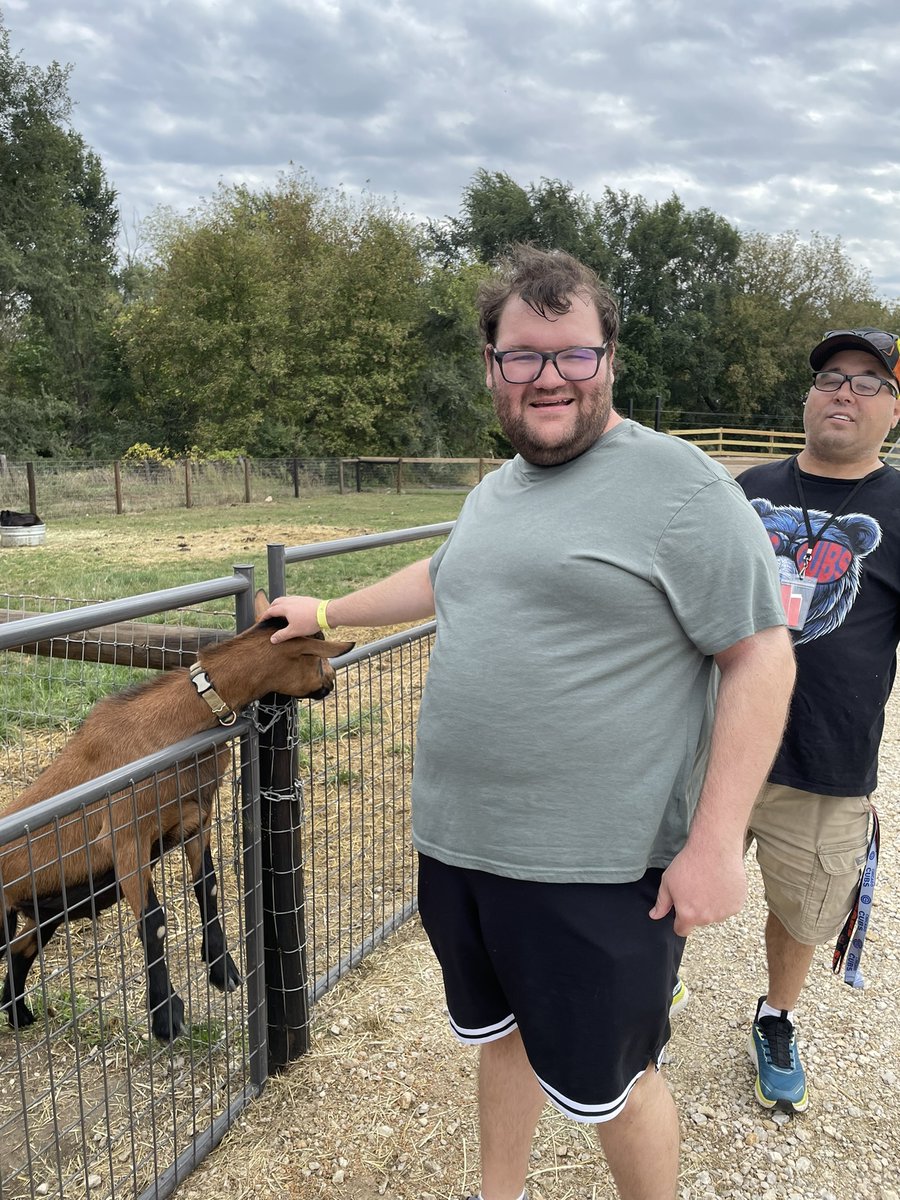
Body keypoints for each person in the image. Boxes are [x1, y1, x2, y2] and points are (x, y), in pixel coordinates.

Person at [263, 246, 795, 1200]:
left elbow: (760, 655)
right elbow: (447, 575)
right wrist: (330, 615)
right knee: (501, 1034)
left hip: (595, 870)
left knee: (615, 1085)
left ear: (608, 360)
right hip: (463, 849)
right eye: (523, 355)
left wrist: (715, 843)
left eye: (572, 353)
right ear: (491, 366)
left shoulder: (684, 490)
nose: (548, 376)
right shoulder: (496, 490)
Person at [735, 327, 900, 1115]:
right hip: (715, 747)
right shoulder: (745, 489)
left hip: (827, 760)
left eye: (869, 383)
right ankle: (656, 986)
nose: (845, 392)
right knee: (660, 883)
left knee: (803, 909)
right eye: (832, 378)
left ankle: (776, 1017)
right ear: (808, 399)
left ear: (893, 412)